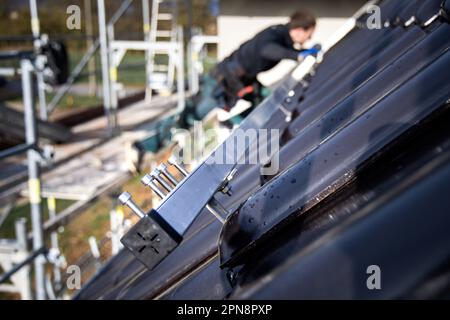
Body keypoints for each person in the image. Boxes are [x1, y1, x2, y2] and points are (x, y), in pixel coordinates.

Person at [212, 10, 319, 111]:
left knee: (268, 102)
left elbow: (290, 51)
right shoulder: (275, 34)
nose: (309, 39)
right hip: (223, 77)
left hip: (243, 78)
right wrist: (297, 56)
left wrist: (308, 52)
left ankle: (235, 124)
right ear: (300, 30)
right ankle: (231, 124)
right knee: (198, 113)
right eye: (309, 35)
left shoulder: (284, 38)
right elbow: (267, 50)